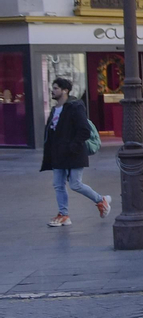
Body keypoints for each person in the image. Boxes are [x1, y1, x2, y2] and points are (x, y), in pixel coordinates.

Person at [40, 77, 110, 227]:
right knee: (58, 184)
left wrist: (73, 146)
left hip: (74, 152)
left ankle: (100, 200)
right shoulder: (54, 110)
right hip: (58, 153)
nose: (53, 90)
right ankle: (64, 215)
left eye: (56, 88)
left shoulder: (75, 106)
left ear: (65, 90)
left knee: (75, 184)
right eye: (53, 88)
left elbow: (84, 130)